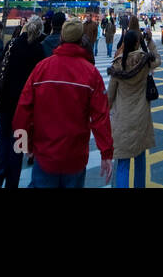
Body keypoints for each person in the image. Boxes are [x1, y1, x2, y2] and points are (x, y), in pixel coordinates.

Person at [13, 19, 114, 188]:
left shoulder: (41, 69)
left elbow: (22, 112)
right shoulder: (91, 73)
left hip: (44, 155)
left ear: (61, 38)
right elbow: (101, 118)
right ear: (81, 40)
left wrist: (23, 146)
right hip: (75, 156)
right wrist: (106, 153)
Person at [0, 16, 47, 188]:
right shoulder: (38, 50)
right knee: (18, 144)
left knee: (3, 139)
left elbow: (3, 66)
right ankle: (12, 181)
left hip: (5, 100)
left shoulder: (12, 44)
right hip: (23, 105)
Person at [107, 28, 160, 188]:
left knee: (122, 164)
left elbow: (110, 96)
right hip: (141, 116)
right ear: (138, 43)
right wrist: (150, 42)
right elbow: (157, 59)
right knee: (140, 159)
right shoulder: (144, 61)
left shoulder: (117, 64)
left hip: (122, 119)